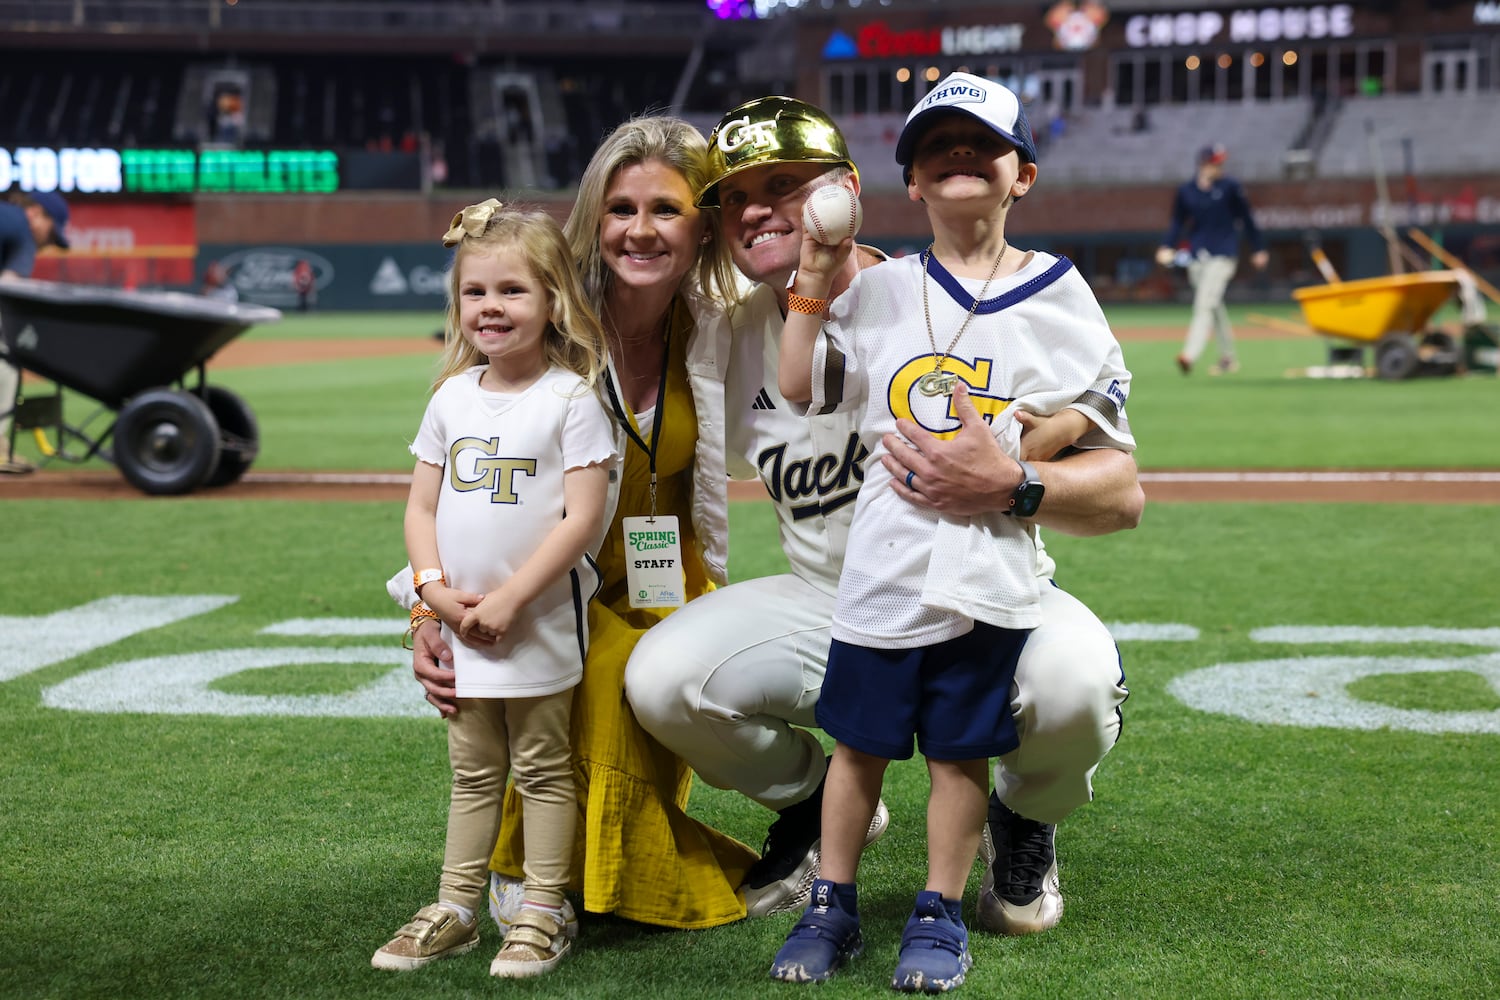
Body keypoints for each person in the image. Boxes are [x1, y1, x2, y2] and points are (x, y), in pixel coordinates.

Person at [415, 97, 1140, 939]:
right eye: (736, 197)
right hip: (830, 603)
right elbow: (521, 456)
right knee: (664, 678)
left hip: (985, 594)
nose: (757, 210)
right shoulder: (723, 338)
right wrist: (428, 603)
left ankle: (1024, 815)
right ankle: (816, 800)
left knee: (1073, 688)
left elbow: (1121, 494)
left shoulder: (954, 299)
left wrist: (1013, 482)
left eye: (784, 187)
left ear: (845, 192)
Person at [766, 73, 1134, 991]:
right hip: (883, 567)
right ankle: (832, 904)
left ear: (1024, 176)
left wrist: (1028, 455)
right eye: (936, 146)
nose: (959, 153)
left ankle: (939, 909)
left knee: (959, 752)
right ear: (912, 183)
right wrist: (814, 273)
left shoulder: (1059, 289)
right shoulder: (883, 288)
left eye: (983, 142)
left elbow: (1103, 416)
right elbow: (802, 385)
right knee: (858, 745)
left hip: (990, 574)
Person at [396, 116, 761, 931]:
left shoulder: (722, 327)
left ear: (703, 225)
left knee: (653, 684)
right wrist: (426, 610)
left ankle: (807, 807)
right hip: (554, 588)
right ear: (593, 218)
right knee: (599, 688)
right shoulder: (543, 317)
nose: (640, 230)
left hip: (668, 580)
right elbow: (460, 488)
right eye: (621, 208)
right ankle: (558, 876)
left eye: (666, 209)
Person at [372, 201, 618, 978]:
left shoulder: (572, 399)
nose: (491, 306)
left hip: (535, 621)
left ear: (553, 301)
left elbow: (582, 519)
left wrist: (510, 600)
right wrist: (433, 596)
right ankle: (455, 907)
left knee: (542, 766)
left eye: (512, 290)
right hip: (460, 624)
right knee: (473, 771)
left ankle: (541, 910)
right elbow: (420, 508)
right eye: (475, 291)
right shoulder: (451, 396)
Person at [1155, 143, 1268, 375]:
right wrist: (1166, 246)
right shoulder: (1187, 190)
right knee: (1214, 306)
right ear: (1203, 163)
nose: (1219, 167)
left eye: (1220, 163)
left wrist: (1258, 249)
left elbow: (1247, 219)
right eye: (1215, 163)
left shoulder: (1230, 187)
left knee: (1204, 304)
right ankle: (1228, 358)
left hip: (1223, 256)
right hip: (1197, 257)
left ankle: (1189, 355)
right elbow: (1177, 222)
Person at [0, 190, 70, 475]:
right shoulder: (21, 227)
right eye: (51, 235)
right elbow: (9, 290)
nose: (47, 244)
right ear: (36, 213)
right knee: (6, 356)